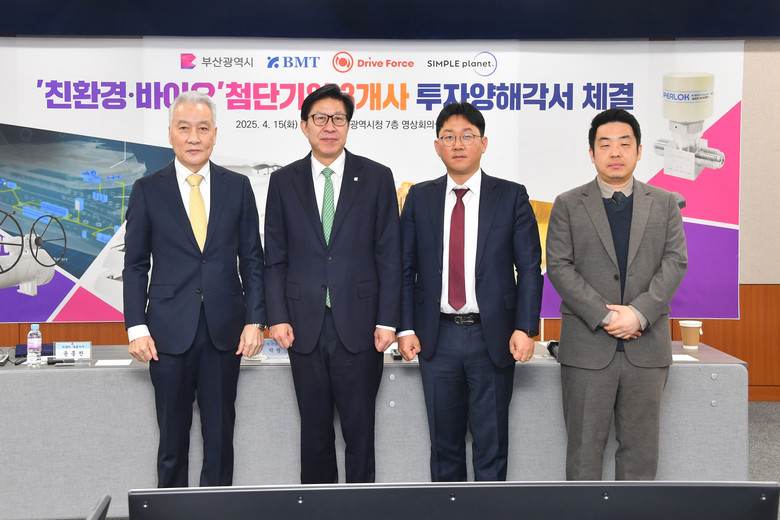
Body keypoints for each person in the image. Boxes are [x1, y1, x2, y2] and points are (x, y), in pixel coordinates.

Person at [123, 90, 266, 487]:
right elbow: (135, 265)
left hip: (225, 333)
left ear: (215, 134)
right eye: (184, 127)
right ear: (170, 133)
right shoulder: (147, 189)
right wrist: (136, 327)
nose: (193, 137)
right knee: (171, 442)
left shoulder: (238, 186)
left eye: (202, 128)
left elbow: (253, 260)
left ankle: (217, 511)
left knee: (220, 440)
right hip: (166, 334)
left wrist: (255, 320)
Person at [397, 101, 543, 481]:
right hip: (437, 337)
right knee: (444, 446)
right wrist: (405, 328)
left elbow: (530, 267)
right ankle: (447, 508)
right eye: (449, 137)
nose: (458, 144)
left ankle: (488, 510)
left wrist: (525, 327)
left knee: (491, 445)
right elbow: (404, 268)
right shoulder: (420, 198)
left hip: (492, 336)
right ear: (437, 146)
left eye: (467, 136)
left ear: (484, 143)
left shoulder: (510, 196)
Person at [264, 83, 401, 484]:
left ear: (348, 125)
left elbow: (389, 256)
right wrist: (277, 316)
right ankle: (317, 509)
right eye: (320, 118)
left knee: (360, 433)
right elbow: (275, 257)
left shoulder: (376, 177)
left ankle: (360, 508)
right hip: (302, 325)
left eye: (338, 118)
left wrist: (387, 321)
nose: (329, 126)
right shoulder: (283, 181)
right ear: (304, 125)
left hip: (361, 325)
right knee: (314, 434)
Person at [546, 108, 688, 480]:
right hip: (587, 347)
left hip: (647, 348)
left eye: (624, 144)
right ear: (591, 153)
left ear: (639, 151)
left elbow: (675, 262)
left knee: (641, 453)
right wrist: (608, 316)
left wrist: (638, 314)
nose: (615, 152)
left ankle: (634, 512)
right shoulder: (568, 204)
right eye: (605, 144)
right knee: (583, 452)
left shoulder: (665, 203)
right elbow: (559, 267)